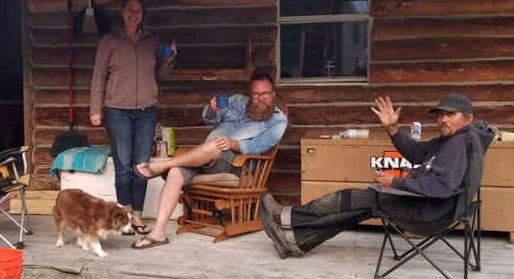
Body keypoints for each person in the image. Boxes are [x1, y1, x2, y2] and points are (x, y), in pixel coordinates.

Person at [260, 93, 493, 258]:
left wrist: (395, 182)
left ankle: (286, 217)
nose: (443, 120)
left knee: (353, 198)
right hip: (434, 208)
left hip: (430, 213)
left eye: (451, 115)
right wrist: (392, 128)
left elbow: (441, 186)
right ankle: (297, 241)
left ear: (469, 118)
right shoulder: (452, 141)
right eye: (440, 115)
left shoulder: (458, 144)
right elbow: (415, 153)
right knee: (361, 207)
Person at [130, 71, 288, 249]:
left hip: (235, 163)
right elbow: (209, 119)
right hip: (205, 156)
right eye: (256, 94)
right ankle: (158, 233)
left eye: (265, 94)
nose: (260, 98)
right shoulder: (237, 101)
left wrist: (233, 143)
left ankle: (162, 165)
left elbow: (256, 147)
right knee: (175, 172)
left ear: (273, 94)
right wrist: (212, 109)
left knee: (215, 144)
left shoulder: (278, 121)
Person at [89, 0, 176, 235]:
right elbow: (98, 76)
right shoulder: (109, 41)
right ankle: (124, 216)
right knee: (124, 167)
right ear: (122, 11)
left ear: (142, 14)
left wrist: (169, 61)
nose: (133, 13)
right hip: (117, 111)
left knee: (141, 166)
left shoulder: (152, 42)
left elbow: (162, 75)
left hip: (147, 111)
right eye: (129, 8)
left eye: (138, 10)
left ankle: (137, 216)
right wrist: (95, 109)